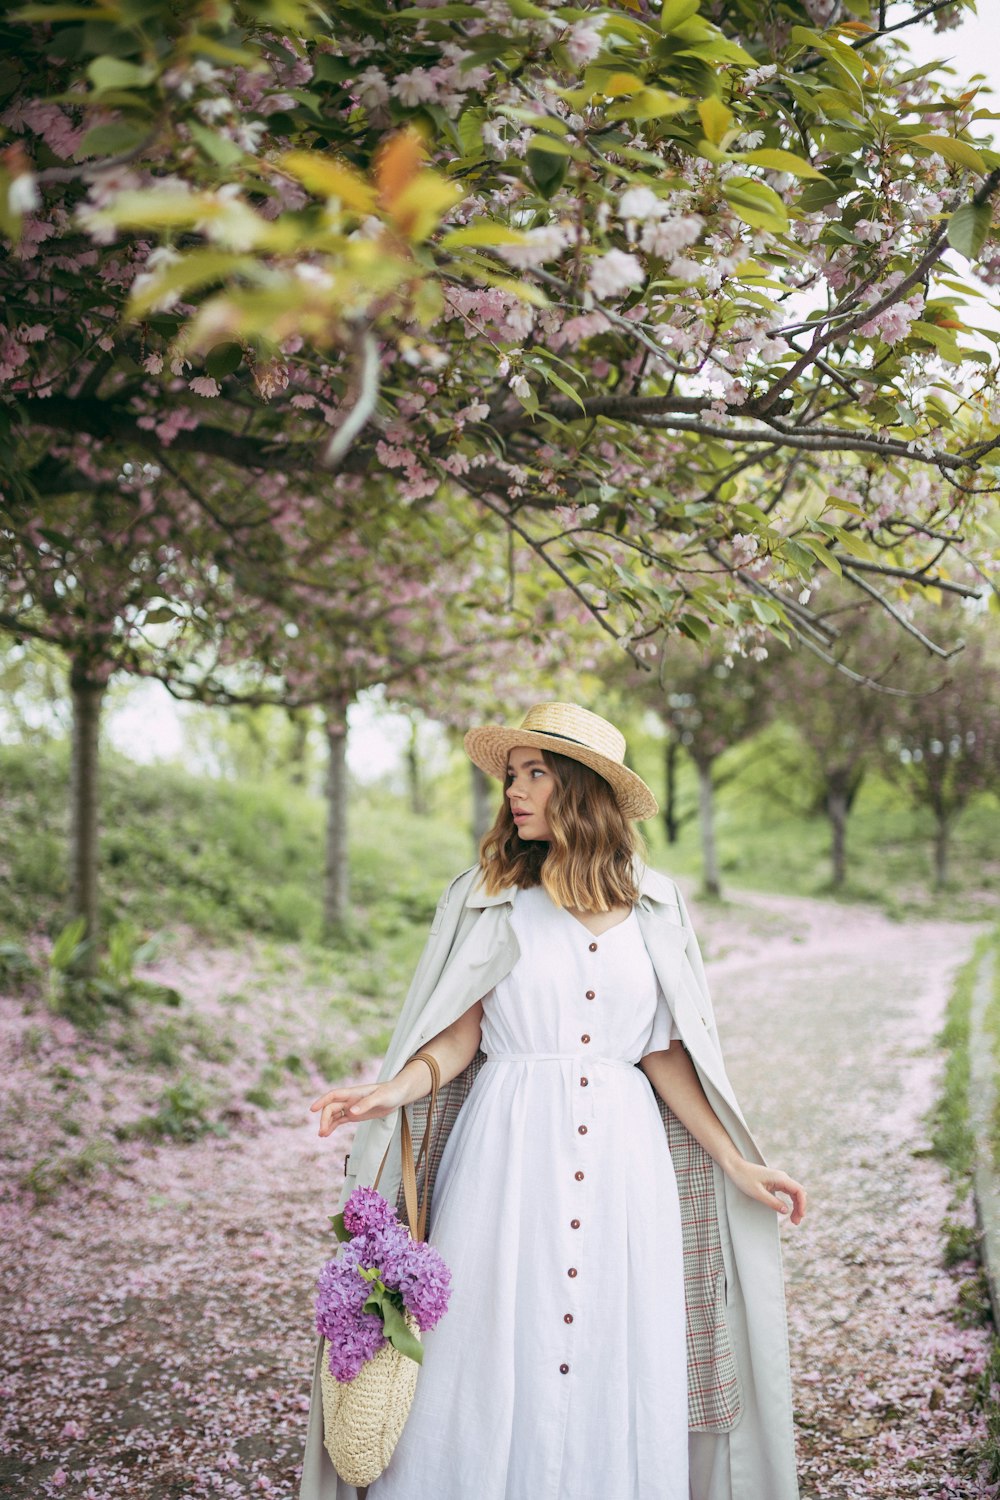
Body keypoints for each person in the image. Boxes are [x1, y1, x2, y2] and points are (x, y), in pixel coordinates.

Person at [299, 702, 806, 1500]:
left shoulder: (657, 905)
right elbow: (458, 1034)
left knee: (614, 1343)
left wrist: (737, 1163)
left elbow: (661, 1051)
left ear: (582, 787)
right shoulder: (491, 895)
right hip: (507, 1150)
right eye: (511, 775)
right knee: (490, 1340)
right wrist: (391, 1088)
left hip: (623, 1162)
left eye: (536, 773)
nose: (515, 792)